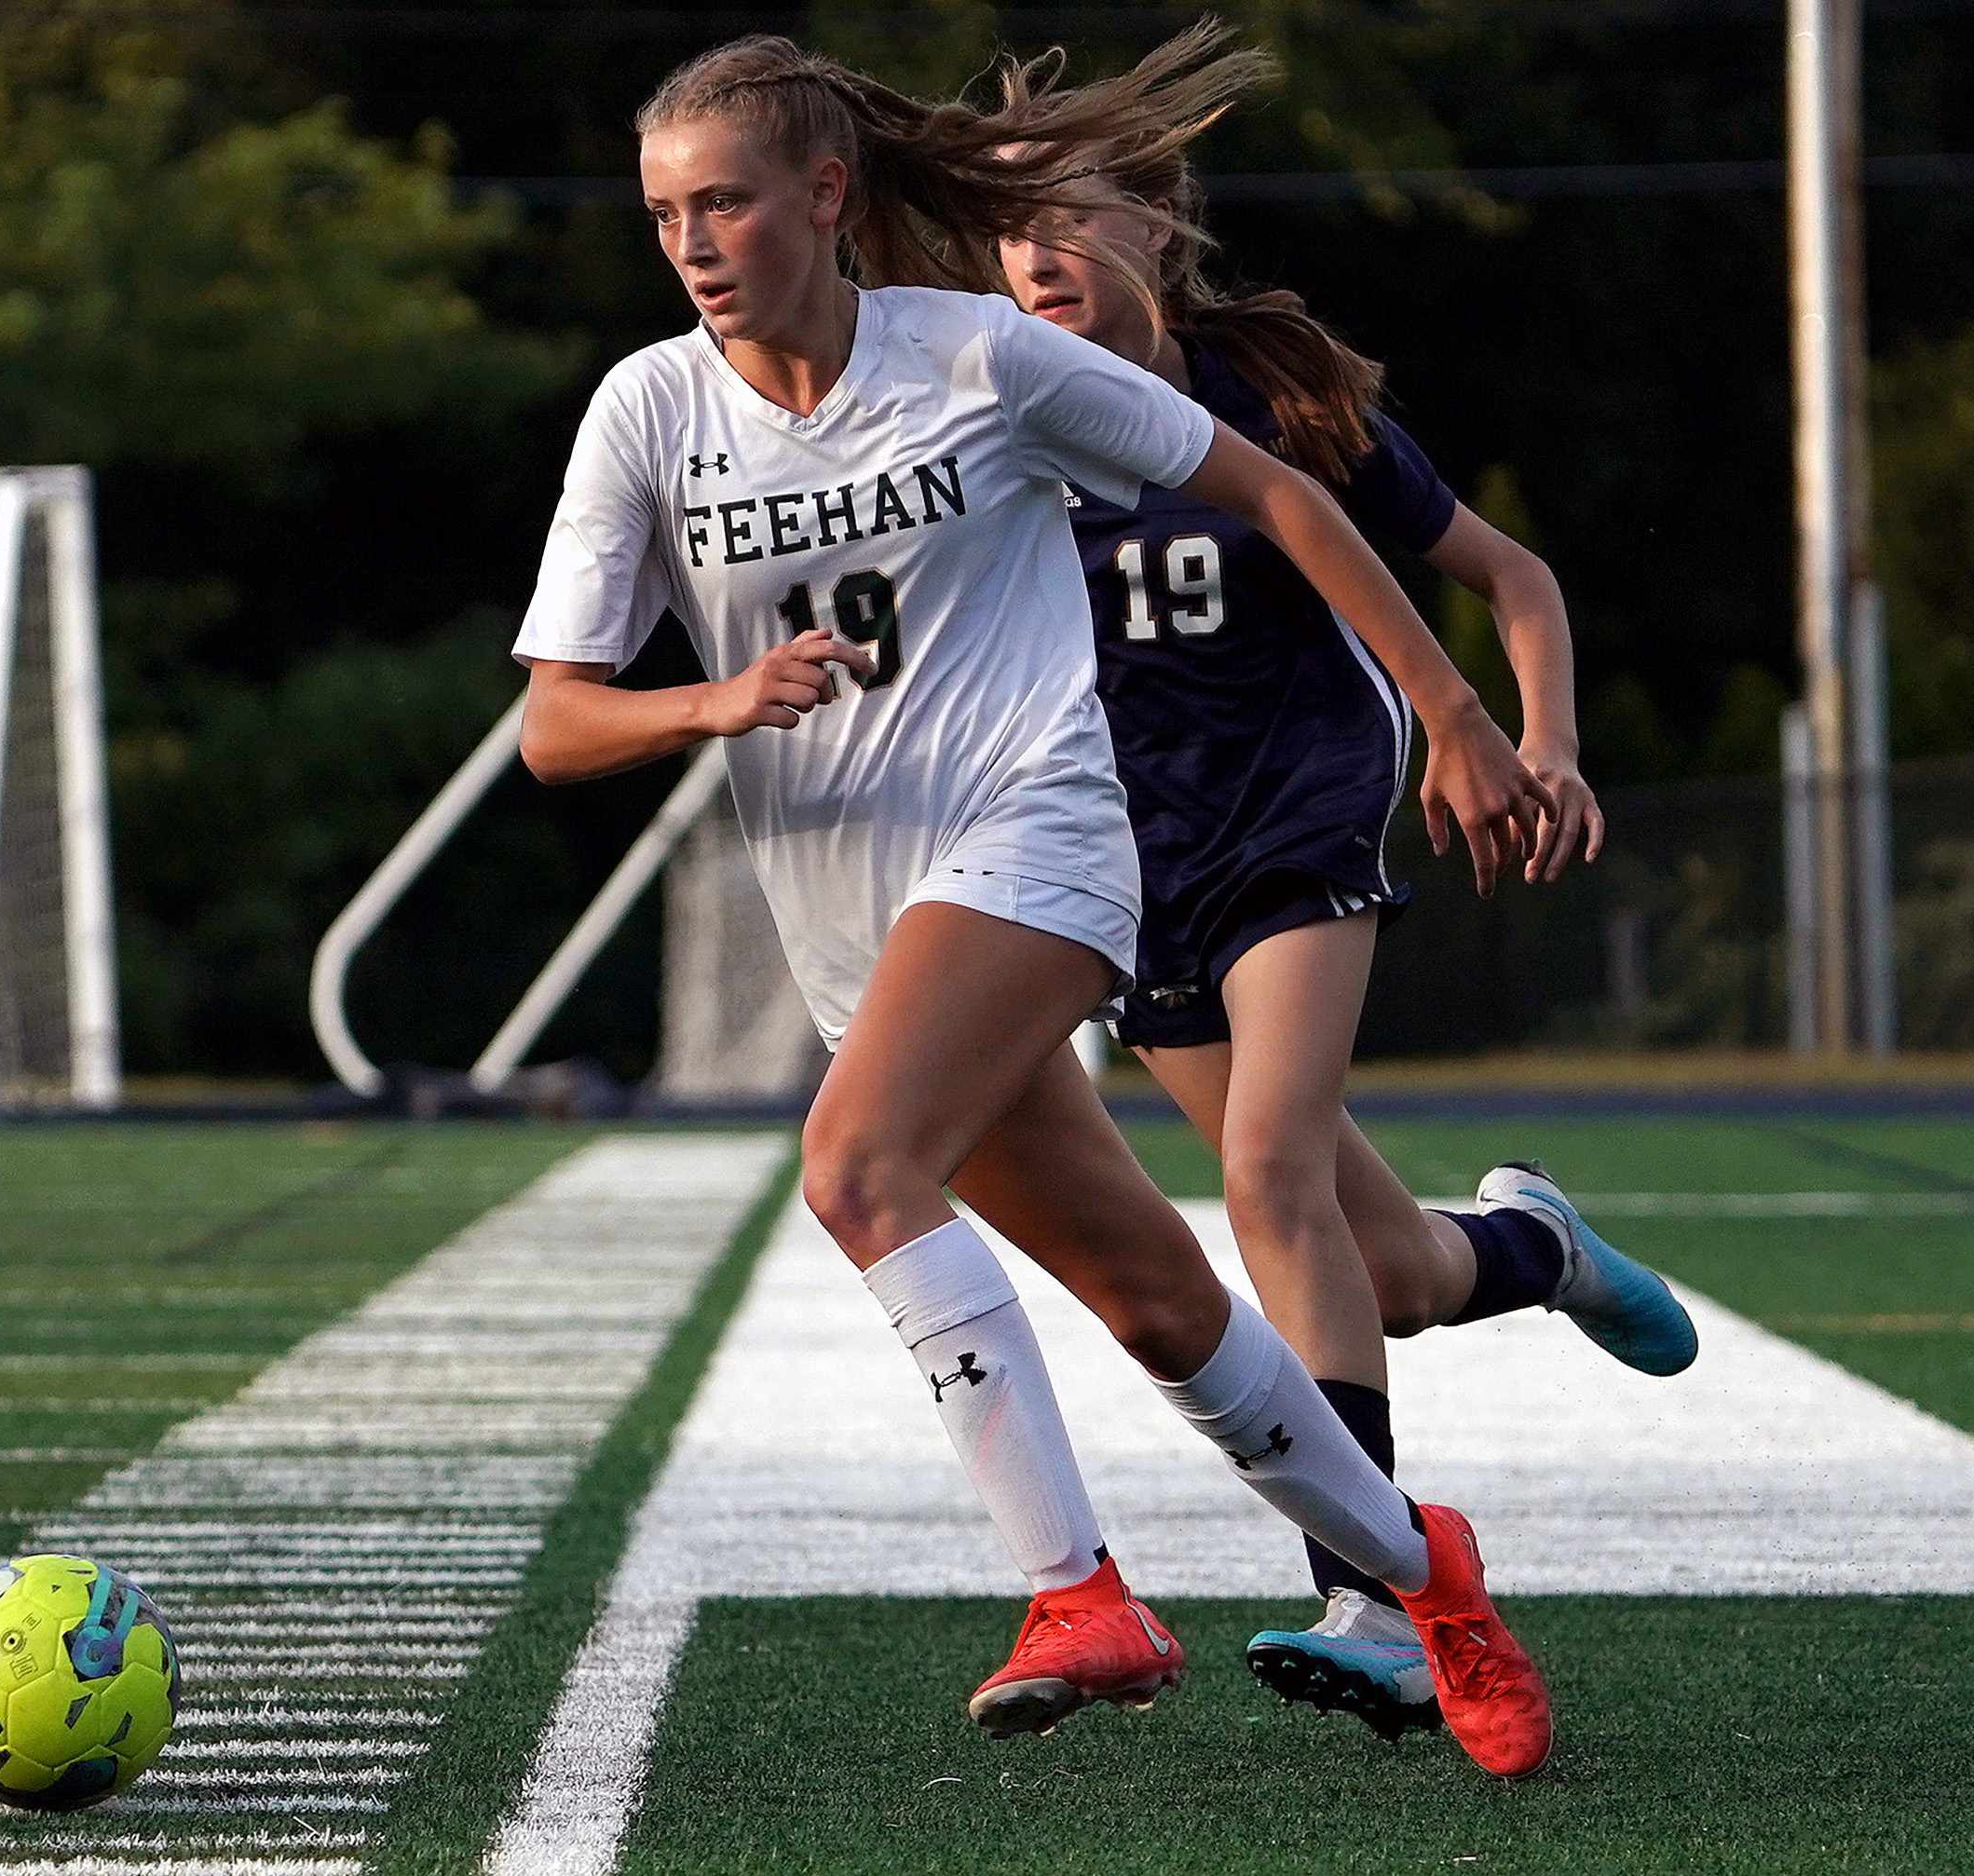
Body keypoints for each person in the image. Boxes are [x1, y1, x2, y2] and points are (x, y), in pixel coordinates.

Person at [513, 32, 1562, 1777]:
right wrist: (708, 699)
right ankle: (1426, 1574)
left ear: (828, 196)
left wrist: (1455, 710)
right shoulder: (646, 412)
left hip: (1042, 847)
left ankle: (1078, 1591)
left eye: (725, 202)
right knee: (1163, 1302)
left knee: (854, 1168)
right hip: (860, 931)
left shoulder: (984, 360)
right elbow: (555, 719)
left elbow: (1280, 492)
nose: (691, 241)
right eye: (662, 213)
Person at [987, 26, 1700, 1741]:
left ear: (1159, 228)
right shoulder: (992, 416)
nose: (1036, 262)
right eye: (1009, 240)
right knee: (1380, 1268)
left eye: (1072, 221)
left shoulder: (1281, 393)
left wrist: (1543, 739)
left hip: (1302, 824)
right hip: (1133, 865)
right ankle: (1535, 1239)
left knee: (1262, 1180)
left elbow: (1511, 574)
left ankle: (1372, 1596)